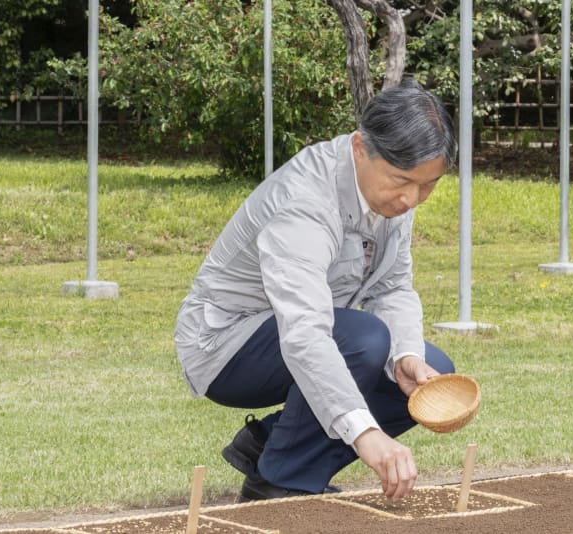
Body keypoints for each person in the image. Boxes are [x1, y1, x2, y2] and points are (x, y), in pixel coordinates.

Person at [174, 79, 457, 502]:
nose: (411, 199)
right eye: (402, 181)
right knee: (363, 340)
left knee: (430, 369)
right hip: (225, 349)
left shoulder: (392, 192)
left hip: (311, 333)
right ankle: (280, 482)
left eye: (428, 185)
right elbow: (305, 333)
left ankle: (270, 446)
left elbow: (393, 287)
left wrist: (407, 357)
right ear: (361, 148)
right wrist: (366, 434)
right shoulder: (304, 202)